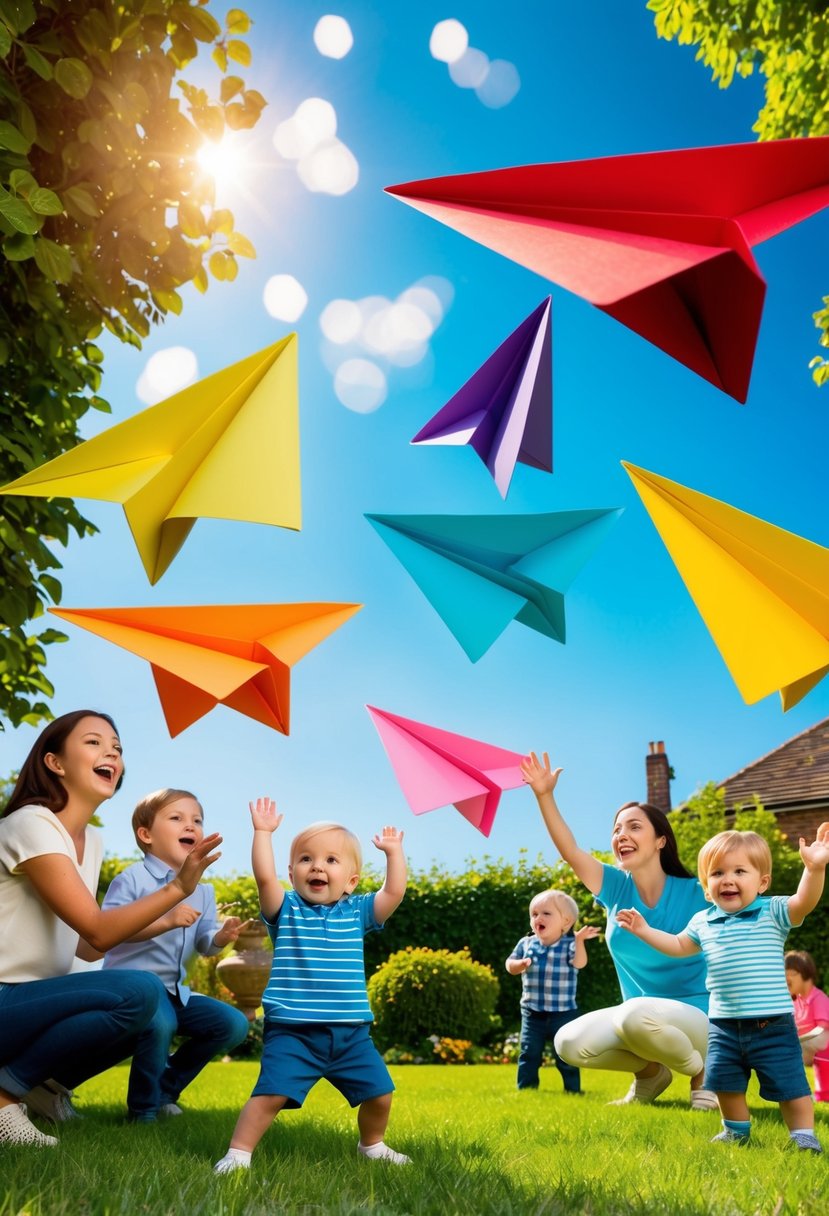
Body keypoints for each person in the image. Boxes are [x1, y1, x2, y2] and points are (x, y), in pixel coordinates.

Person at [0, 710, 221, 1148]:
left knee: (152, 1010)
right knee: (140, 991)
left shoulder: (92, 841)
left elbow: (83, 946)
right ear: (55, 763)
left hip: (33, 999)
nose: (111, 754)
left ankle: (45, 1090)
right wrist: (178, 888)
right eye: (94, 743)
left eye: (117, 748)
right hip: (7, 996)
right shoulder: (31, 823)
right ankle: (4, 1097)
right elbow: (99, 934)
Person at [213, 801, 409, 1173]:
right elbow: (265, 879)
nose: (317, 866)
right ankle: (238, 1153)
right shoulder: (285, 908)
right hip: (293, 1032)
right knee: (269, 1095)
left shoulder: (358, 911)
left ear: (351, 881)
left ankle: (372, 1145)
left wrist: (394, 853)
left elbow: (394, 893)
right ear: (292, 872)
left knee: (380, 1094)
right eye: (306, 859)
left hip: (350, 1034)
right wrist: (263, 833)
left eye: (331, 860)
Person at [521, 752, 716, 1109]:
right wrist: (544, 795)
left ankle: (706, 1075)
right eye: (616, 829)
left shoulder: (699, 892)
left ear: (661, 841)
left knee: (634, 1014)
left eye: (634, 827)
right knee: (568, 1042)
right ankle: (652, 1074)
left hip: (701, 1016)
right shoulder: (614, 887)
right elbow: (570, 851)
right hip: (639, 1019)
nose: (621, 835)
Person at [617, 828, 829, 1152]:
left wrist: (814, 869)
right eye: (717, 873)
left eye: (739, 871)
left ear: (762, 883)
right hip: (724, 1026)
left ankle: (802, 1133)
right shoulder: (703, 922)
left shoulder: (773, 912)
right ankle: (736, 1130)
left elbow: (804, 902)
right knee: (725, 1084)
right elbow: (676, 946)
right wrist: (645, 930)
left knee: (790, 1085)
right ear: (706, 887)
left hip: (771, 1024)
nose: (727, 879)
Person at [101, 788, 250, 1120]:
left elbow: (203, 943)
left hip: (175, 993)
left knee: (232, 1024)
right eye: (177, 818)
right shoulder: (132, 880)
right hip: (131, 991)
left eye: (197, 820)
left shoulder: (204, 891)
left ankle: (165, 1089)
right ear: (146, 834)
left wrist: (220, 937)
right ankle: (143, 1112)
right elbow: (108, 933)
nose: (191, 826)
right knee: (161, 1024)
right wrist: (165, 921)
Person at [505, 888, 600, 1093]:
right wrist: (519, 964)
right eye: (534, 914)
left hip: (563, 1012)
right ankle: (527, 1089)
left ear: (566, 922)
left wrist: (580, 941)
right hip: (532, 1011)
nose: (538, 917)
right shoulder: (526, 943)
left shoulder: (570, 944)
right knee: (529, 1053)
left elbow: (580, 963)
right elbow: (509, 964)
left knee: (566, 1054)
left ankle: (573, 1090)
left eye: (546, 913)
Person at [785, 949, 829, 1101]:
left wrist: (799, 1040)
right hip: (809, 1045)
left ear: (805, 974)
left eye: (791, 973)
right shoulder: (796, 1001)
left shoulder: (818, 998)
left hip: (822, 1045)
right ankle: (799, 1093)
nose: (786, 978)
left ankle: (804, 1093)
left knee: (792, 1051)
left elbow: (822, 1029)